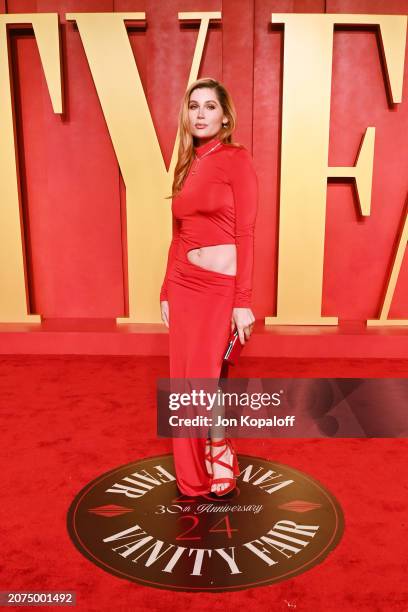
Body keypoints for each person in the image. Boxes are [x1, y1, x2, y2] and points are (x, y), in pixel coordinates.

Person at [159, 77, 258, 496]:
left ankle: (219, 447)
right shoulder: (186, 163)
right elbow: (178, 234)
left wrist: (243, 301)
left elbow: (247, 233)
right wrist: (166, 288)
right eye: (194, 106)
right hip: (183, 285)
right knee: (186, 381)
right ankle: (193, 474)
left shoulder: (235, 159)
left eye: (210, 106)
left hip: (220, 289)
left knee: (209, 377)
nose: (201, 114)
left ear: (225, 116)